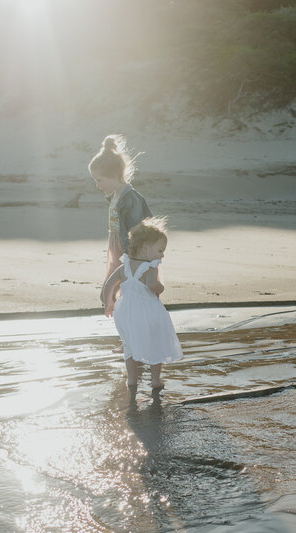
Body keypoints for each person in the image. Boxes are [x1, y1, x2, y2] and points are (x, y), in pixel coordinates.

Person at [101, 217, 183, 389]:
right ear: (146, 249)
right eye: (160, 250)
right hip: (147, 311)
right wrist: (161, 287)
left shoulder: (125, 266)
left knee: (129, 346)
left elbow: (108, 285)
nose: (162, 255)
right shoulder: (150, 267)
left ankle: (131, 380)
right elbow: (153, 286)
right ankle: (155, 380)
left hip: (126, 312)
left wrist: (108, 302)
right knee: (156, 344)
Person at [89, 134, 152, 282]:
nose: (97, 186)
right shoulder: (115, 196)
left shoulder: (130, 198)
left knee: (127, 277)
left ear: (114, 175)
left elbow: (136, 229)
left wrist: (131, 251)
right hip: (114, 242)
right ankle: (113, 301)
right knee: (114, 276)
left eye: (99, 180)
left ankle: (123, 301)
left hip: (126, 246)